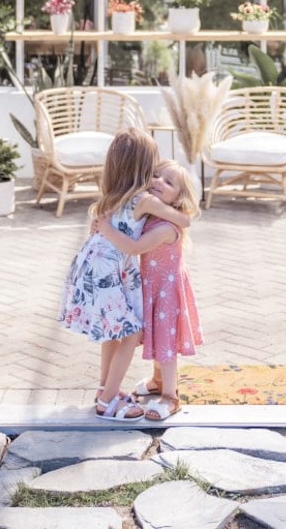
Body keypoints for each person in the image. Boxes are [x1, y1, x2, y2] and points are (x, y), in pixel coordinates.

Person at [57, 127, 189, 420]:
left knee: (114, 334)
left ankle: (107, 388)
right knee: (130, 334)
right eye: (154, 168)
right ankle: (107, 402)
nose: (156, 177)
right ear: (144, 167)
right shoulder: (144, 200)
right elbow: (183, 219)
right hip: (109, 271)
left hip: (98, 267)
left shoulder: (111, 196)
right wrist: (182, 214)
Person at [97, 159, 202, 422]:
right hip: (151, 288)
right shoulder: (151, 215)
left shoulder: (166, 228)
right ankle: (157, 381)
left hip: (166, 292)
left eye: (169, 182)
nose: (158, 182)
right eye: (156, 175)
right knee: (158, 336)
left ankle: (170, 396)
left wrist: (107, 230)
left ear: (179, 197)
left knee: (166, 342)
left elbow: (134, 247)